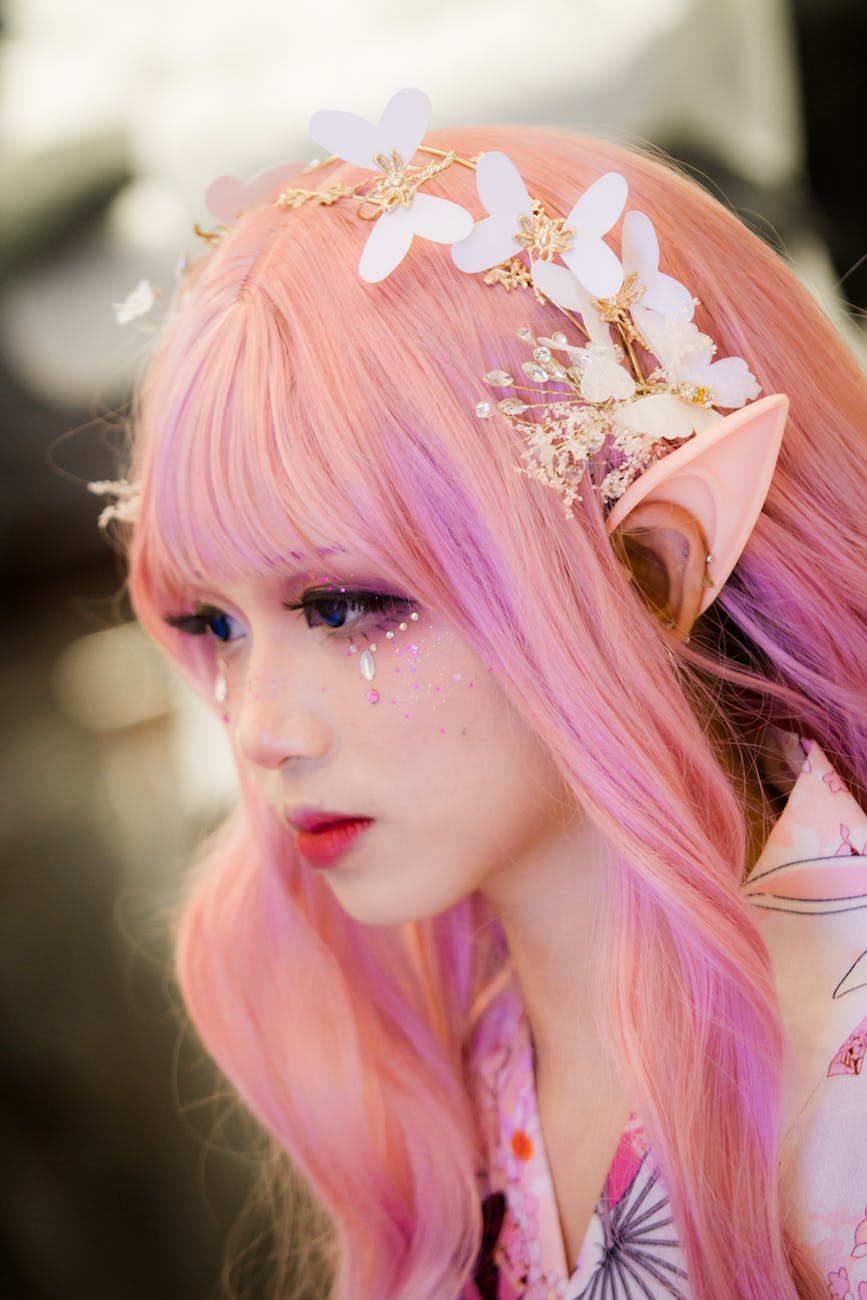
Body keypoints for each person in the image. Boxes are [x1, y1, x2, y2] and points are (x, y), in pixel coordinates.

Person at [107, 88, 867, 1299]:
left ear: (652, 569)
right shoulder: (466, 1045)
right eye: (215, 624)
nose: (257, 727)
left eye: (349, 606)